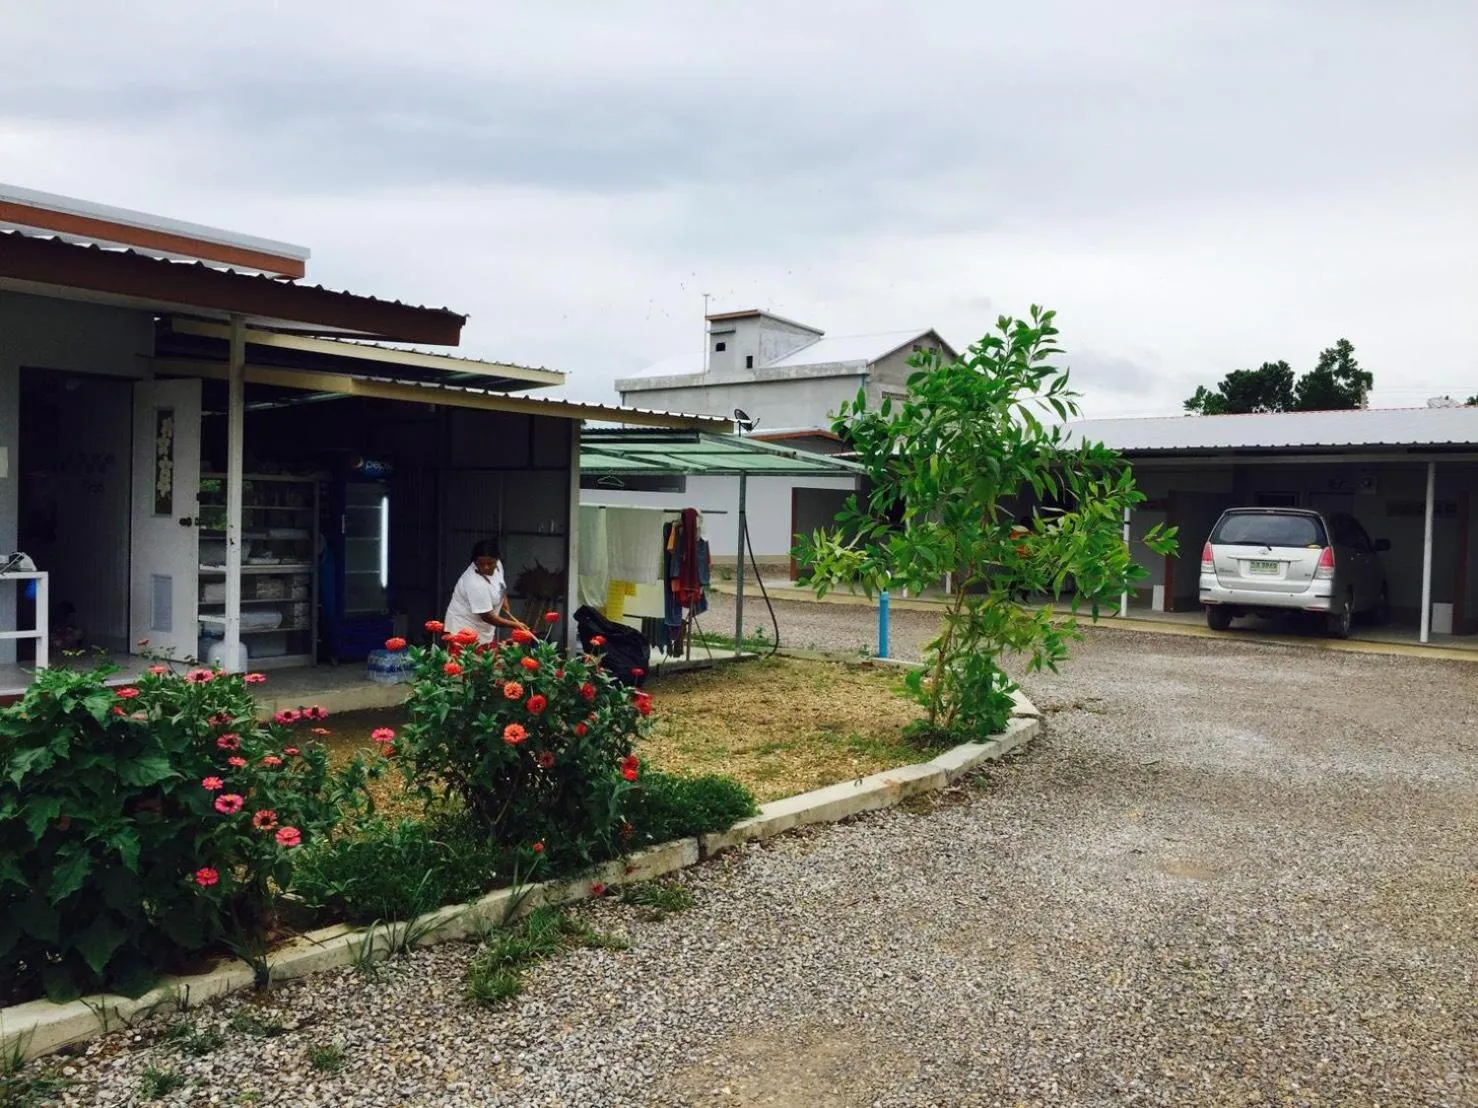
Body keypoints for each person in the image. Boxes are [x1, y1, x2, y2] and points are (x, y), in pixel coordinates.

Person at [443, 540, 528, 644]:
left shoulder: (498, 566)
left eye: (490, 563)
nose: (485, 567)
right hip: (462, 627)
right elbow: (487, 617)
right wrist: (514, 624)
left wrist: (504, 600)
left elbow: (500, 583)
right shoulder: (474, 583)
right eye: (481, 564)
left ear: (497, 560)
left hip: (482, 629)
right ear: (474, 562)